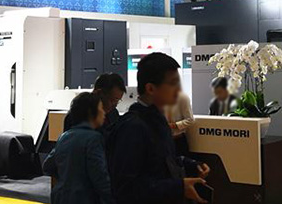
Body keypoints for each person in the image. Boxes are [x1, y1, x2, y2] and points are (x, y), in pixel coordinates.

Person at [111, 53, 210, 204]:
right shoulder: (132, 127)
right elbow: (126, 188)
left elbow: (162, 159)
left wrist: (191, 164)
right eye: (172, 83)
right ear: (150, 88)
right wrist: (177, 187)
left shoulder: (157, 120)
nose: (178, 90)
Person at [43, 92, 112, 204]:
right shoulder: (94, 138)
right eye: (100, 109)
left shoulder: (64, 137)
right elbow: (99, 176)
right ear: (91, 113)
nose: (104, 113)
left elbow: (47, 166)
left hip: (61, 198)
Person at [63, 73, 127, 140]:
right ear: (99, 93)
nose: (115, 105)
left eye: (118, 101)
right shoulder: (77, 114)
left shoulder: (113, 113)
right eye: (112, 100)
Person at [165, 90, 194, 157]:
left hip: (178, 139)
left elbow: (190, 119)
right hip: (164, 140)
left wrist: (175, 125)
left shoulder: (182, 98)